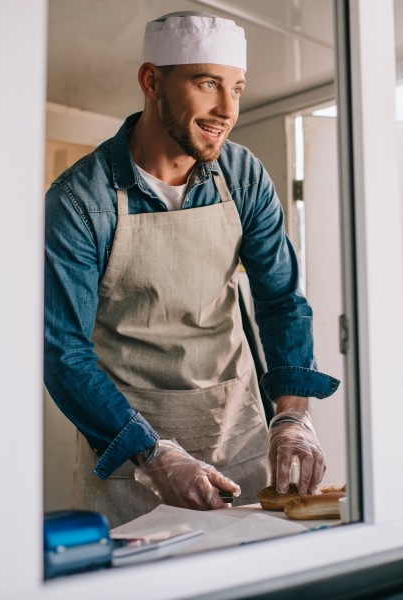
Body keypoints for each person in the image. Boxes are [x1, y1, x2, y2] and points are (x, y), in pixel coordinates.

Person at [43, 11, 339, 527]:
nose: (227, 110)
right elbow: (62, 350)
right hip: (132, 458)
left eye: (238, 89)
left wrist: (293, 416)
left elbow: (281, 300)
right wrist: (155, 455)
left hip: (240, 436)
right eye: (208, 84)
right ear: (151, 80)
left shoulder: (243, 176)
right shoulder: (79, 200)